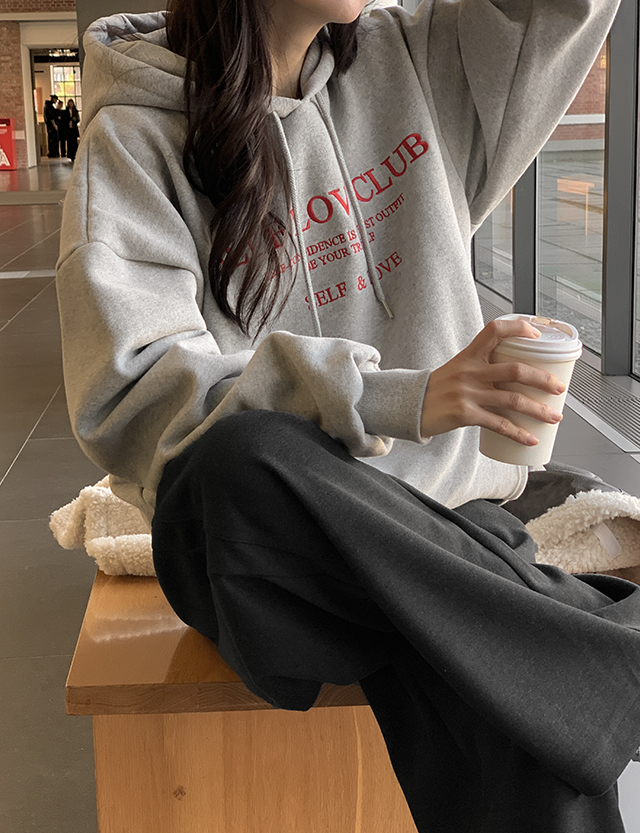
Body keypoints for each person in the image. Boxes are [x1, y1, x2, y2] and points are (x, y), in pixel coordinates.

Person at [56, 1, 640, 830]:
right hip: (268, 560)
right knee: (237, 462)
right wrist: (399, 397)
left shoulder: (416, 58)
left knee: (506, 699)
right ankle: (599, 656)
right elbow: (133, 392)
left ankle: (593, 670)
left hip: (441, 535)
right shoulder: (134, 132)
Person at [43, 93, 59, 158]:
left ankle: (53, 152)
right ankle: (53, 153)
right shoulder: (49, 107)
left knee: (51, 139)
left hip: (50, 126)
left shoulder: (48, 106)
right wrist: (54, 125)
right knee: (53, 139)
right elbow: (51, 116)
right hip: (51, 126)